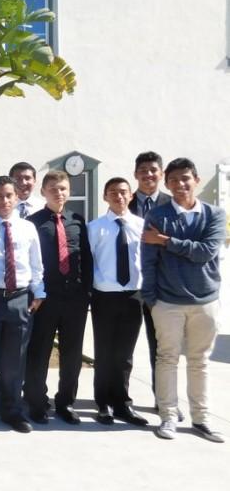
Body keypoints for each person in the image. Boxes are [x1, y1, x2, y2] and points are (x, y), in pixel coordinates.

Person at [142, 157, 225, 443]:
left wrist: (166, 241)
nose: (180, 184)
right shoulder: (157, 216)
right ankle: (168, 416)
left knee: (199, 361)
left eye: (185, 178)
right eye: (174, 179)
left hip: (205, 300)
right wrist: (151, 299)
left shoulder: (214, 214)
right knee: (166, 359)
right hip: (168, 302)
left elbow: (206, 252)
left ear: (196, 180)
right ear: (167, 183)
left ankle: (201, 418)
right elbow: (148, 262)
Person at [0, 176, 45, 433]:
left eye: (9, 195)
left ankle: (13, 411)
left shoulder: (27, 228)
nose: (5, 200)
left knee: (15, 360)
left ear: (17, 198)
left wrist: (38, 295)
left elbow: (36, 264)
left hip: (20, 299)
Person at [23, 170, 93, 425]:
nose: (58, 192)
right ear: (43, 191)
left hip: (74, 298)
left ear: (69, 191)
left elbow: (86, 259)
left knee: (72, 354)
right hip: (45, 298)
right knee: (39, 352)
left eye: (63, 188)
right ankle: (37, 403)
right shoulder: (32, 222)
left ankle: (66, 402)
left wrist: (86, 292)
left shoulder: (77, 220)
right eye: (53, 188)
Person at [87, 177, 148, 427]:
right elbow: (89, 262)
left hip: (134, 295)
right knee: (104, 352)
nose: (119, 196)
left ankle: (122, 403)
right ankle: (102, 402)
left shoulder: (142, 226)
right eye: (113, 192)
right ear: (105, 197)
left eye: (123, 192)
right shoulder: (95, 227)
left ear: (131, 195)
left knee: (125, 355)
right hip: (104, 296)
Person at [128, 151, 174, 409]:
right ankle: (119, 399)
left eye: (153, 170)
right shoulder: (123, 200)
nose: (148, 175)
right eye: (143, 170)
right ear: (136, 174)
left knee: (163, 348)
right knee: (124, 349)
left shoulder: (172, 204)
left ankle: (164, 400)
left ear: (161, 173)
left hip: (163, 288)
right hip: (132, 288)